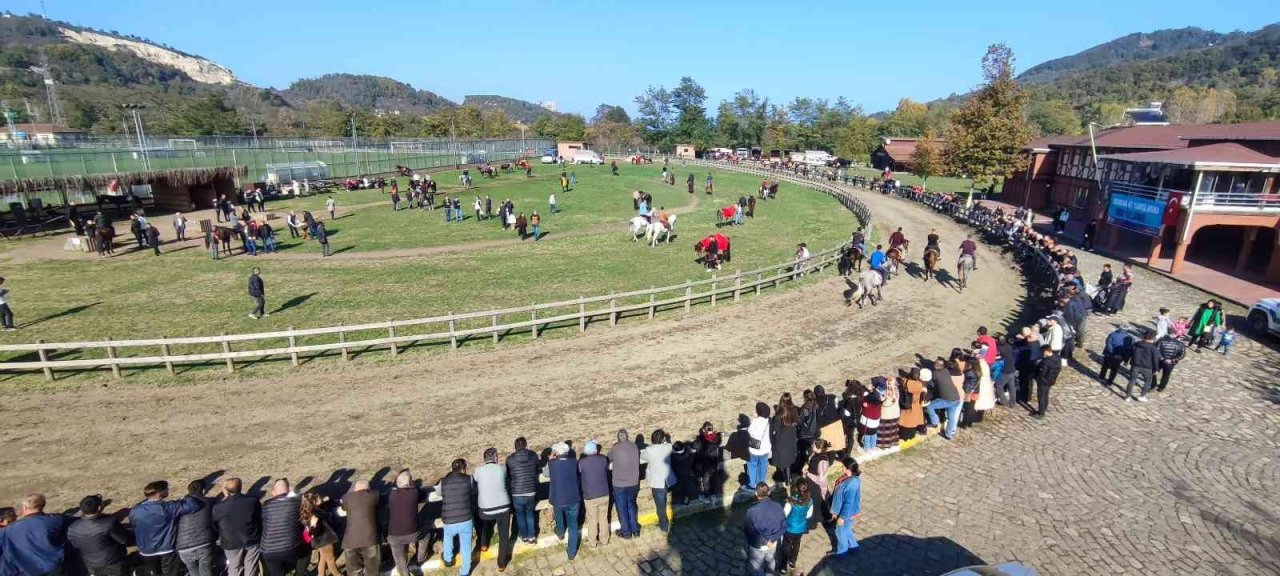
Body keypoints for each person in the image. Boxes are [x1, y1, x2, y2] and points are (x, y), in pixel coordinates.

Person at [130, 480, 201, 576]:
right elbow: (193, 505)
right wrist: (188, 497)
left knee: (155, 573)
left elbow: (133, 523)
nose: (168, 490)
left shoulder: (135, 510)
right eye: (166, 489)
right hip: (167, 549)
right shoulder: (169, 507)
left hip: (146, 550)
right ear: (160, 493)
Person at [0, 494, 67, 576]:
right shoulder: (54, 520)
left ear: (24, 507)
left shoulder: (7, 531)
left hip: (26, 571)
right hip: (52, 567)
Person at [67, 494, 130, 576]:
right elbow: (124, 539)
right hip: (113, 562)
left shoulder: (73, 528)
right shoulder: (109, 523)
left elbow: (75, 544)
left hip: (91, 564)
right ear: (100, 508)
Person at [212, 477, 263, 576]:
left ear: (226, 490)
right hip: (251, 538)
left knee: (235, 567)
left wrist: (226, 497)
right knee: (251, 565)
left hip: (231, 543)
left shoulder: (218, 507)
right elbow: (258, 518)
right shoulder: (252, 501)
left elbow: (215, 525)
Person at [474, 449, 513, 571]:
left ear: (484, 459)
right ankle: (501, 563)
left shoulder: (478, 471)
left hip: (485, 509)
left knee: (482, 522)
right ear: (495, 458)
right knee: (504, 534)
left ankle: (484, 543)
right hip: (504, 506)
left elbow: (476, 481)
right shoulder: (503, 468)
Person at [259, 478, 307, 576]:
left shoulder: (266, 505)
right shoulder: (297, 502)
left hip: (267, 549)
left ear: (273, 492)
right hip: (290, 546)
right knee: (306, 552)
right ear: (289, 490)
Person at [437, 459, 475, 576]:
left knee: (448, 537)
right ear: (463, 469)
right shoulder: (469, 479)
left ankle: (448, 559)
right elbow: (472, 490)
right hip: (466, 519)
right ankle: (464, 571)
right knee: (466, 546)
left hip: (449, 519)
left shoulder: (443, 482)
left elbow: (439, 493)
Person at [386, 470, 426, 576]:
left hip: (394, 535)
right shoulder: (414, 492)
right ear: (409, 484)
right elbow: (421, 494)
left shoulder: (391, 494)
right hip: (413, 533)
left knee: (399, 557)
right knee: (426, 535)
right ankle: (419, 559)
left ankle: (404, 572)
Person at [547, 443, 581, 561]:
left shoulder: (552, 463)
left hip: (558, 498)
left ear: (556, 453)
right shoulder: (573, 462)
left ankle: (560, 532)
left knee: (559, 516)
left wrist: (551, 459)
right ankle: (571, 552)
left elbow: (547, 473)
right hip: (573, 498)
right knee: (573, 525)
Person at [175, 480, 217, 576]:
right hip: (203, 543)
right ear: (203, 490)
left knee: (193, 571)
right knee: (206, 571)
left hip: (183, 547)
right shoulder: (209, 502)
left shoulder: (179, 505)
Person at [339, 480, 380, 576]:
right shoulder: (374, 495)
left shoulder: (346, 498)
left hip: (350, 541)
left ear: (355, 489)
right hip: (370, 540)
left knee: (354, 571)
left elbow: (343, 507)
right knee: (372, 571)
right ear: (368, 489)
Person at [743, 483, 784, 576]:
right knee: (771, 561)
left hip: (758, 544)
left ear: (756, 493)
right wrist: (772, 539)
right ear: (769, 492)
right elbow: (784, 525)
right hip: (773, 543)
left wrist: (762, 541)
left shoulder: (751, 510)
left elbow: (747, 529)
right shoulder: (777, 506)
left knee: (757, 566)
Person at [578, 440, 611, 548]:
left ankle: (592, 543)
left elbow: (580, 471)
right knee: (603, 518)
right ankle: (605, 541)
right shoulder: (603, 459)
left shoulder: (582, 462)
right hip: (604, 494)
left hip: (590, 495)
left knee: (592, 520)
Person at [609, 429, 641, 539]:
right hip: (633, 482)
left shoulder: (615, 447)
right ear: (627, 437)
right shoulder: (634, 446)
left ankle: (626, 532)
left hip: (619, 484)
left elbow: (609, 458)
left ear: (618, 438)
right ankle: (635, 529)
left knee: (622, 508)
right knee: (631, 505)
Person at [506, 437, 539, 544]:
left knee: (520, 515)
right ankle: (532, 536)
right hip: (531, 491)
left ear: (515, 447)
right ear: (526, 445)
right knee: (530, 513)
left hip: (517, 492)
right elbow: (537, 467)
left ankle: (524, 536)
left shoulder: (510, 459)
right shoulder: (533, 455)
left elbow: (508, 475)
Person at [641, 430, 674, 532]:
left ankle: (663, 526)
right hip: (667, 481)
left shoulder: (649, 450)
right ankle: (663, 522)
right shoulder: (668, 447)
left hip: (657, 482)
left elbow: (642, 458)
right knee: (663, 503)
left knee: (660, 506)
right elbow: (668, 444)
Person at [778, 479, 813, 575]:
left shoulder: (791, 500)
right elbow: (809, 515)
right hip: (801, 528)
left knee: (786, 546)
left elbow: (785, 513)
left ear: (796, 488)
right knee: (797, 544)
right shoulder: (809, 500)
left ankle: (784, 566)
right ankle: (793, 561)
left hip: (789, 528)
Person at [300, 491, 339, 576]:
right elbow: (315, 532)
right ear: (314, 502)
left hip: (320, 542)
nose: (320, 498)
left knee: (323, 559)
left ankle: (320, 574)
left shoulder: (311, 511)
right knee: (331, 560)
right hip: (325, 541)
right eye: (318, 497)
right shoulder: (315, 516)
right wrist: (314, 526)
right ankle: (338, 574)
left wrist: (325, 500)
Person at [829, 457, 862, 557]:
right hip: (842, 511)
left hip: (845, 513)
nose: (841, 467)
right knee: (846, 529)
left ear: (848, 468)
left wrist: (841, 517)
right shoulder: (847, 478)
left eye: (843, 466)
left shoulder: (851, 483)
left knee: (840, 531)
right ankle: (853, 546)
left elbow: (848, 503)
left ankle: (842, 551)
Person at [926, 360, 963, 439]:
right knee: (951, 418)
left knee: (930, 406)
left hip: (947, 400)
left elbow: (930, 384)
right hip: (956, 398)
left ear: (935, 366)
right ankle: (948, 434)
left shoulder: (934, 374)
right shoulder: (946, 371)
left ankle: (934, 422)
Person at [692, 422, 722, 503]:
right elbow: (718, 440)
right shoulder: (717, 438)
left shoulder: (700, 439)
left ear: (703, 430)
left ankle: (708, 496)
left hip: (704, 464)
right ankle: (714, 495)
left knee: (706, 481)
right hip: (713, 463)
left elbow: (694, 446)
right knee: (713, 479)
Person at [1127, 331, 1160, 403]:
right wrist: (1156, 369)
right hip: (1147, 367)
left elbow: (1129, 353)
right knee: (1148, 381)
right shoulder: (1153, 348)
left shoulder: (1136, 344)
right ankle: (1142, 396)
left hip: (1135, 365)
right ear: (1153, 338)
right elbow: (1155, 359)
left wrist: (1126, 361)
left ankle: (1128, 397)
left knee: (1132, 381)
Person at [746, 403, 773, 491]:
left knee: (752, 465)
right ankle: (761, 484)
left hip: (754, 449)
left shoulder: (756, 421)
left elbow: (750, 431)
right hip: (765, 449)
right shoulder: (770, 421)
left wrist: (755, 418)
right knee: (763, 466)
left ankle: (752, 484)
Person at [1032, 345, 1062, 417]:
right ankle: (1044, 408)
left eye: (1043, 352)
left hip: (1043, 382)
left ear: (1046, 351)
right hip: (1051, 380)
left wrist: (1037, 377)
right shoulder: (1057, 358)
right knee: (1046, 395)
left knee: (1041, 397)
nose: (1043, 354)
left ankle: (1041, 413)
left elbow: (1042, 373)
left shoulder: (1046, 361)